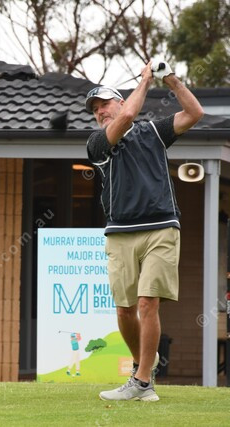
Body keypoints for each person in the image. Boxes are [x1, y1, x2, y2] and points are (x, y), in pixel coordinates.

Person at [84, 60, 204, 401]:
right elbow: (125, 119)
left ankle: (141, 382)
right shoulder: (97, 143)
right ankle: (142, 372)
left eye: (104, 104)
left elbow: (195, 113)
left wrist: (170, 80)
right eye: (94, 109)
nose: (100, 112)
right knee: (125, 309)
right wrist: (146, 82)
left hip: (161, 228)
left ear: (121, 101)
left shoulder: (153, 132)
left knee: (148, 303)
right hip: (120, 231)